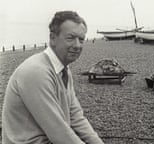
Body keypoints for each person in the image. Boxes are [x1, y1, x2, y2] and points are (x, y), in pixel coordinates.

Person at [2, 11, 104, 144]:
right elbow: (58, 132)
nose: (77, 45)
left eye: (81, 39)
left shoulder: (63, 69)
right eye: (70, 38)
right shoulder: (36, 72)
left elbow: (76, 117)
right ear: (53, 38)